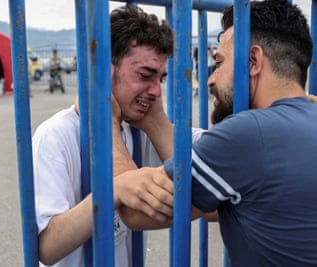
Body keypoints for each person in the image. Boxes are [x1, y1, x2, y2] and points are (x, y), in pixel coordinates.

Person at [115, 1, 317, 266]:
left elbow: (133, 208)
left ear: (253, 61)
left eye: (219, 63)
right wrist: (155, 123)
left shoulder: (250, 133)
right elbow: (214, 203)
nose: (210, 79)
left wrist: (103, 116)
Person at [32, 6, 177, 266]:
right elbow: (47, 247)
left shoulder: (139, 129)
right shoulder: (56, 134)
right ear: (104, 71)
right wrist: (112, 192)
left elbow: (203, 179)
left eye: (161, 79)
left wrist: (157, 122)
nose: (157, 91)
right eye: (145, 75)